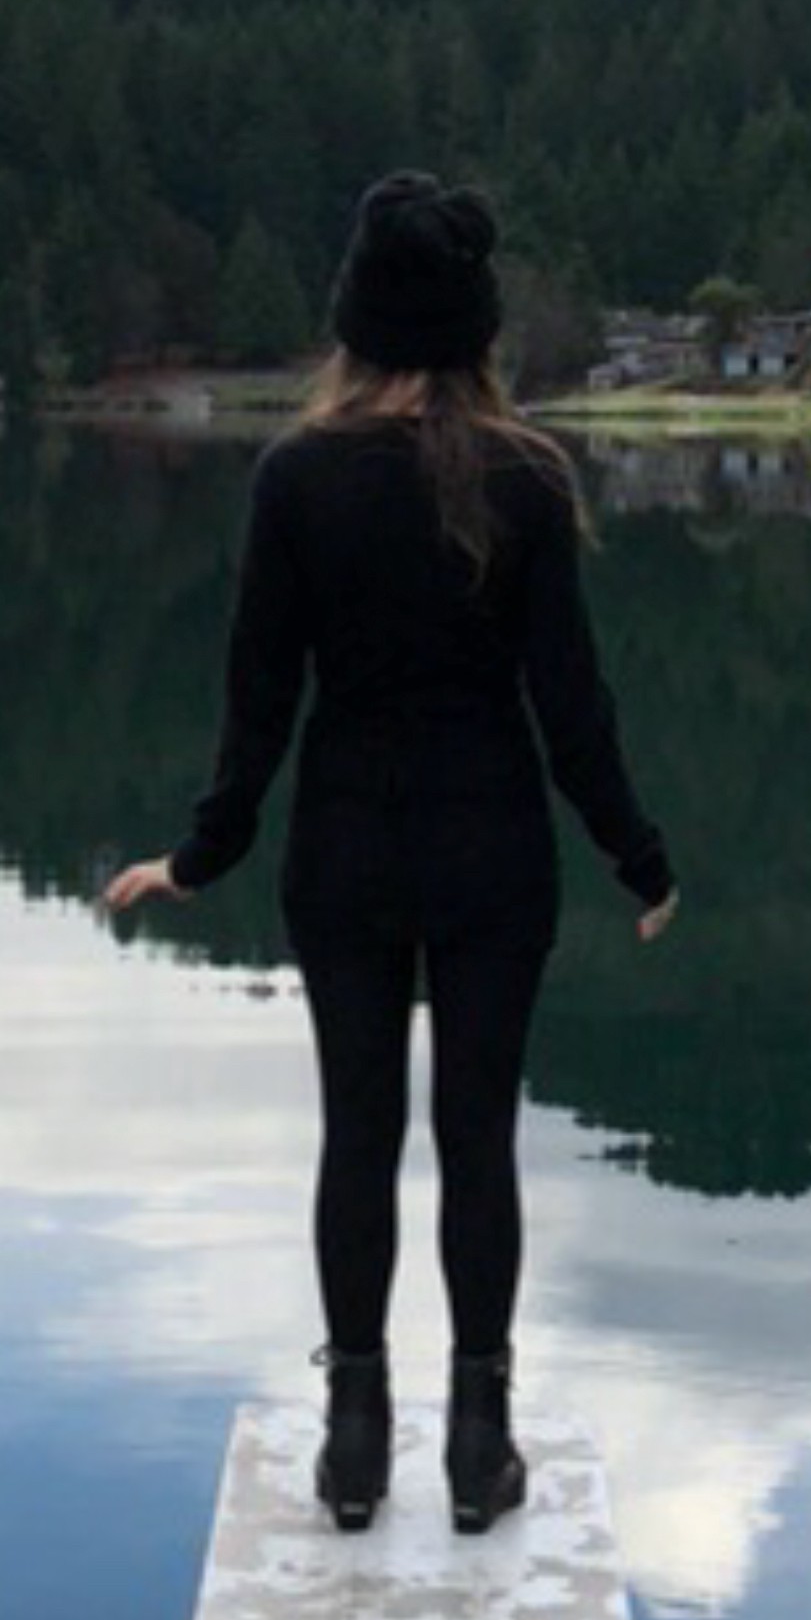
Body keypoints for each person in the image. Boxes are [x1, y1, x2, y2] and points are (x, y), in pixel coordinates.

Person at [103, 169, 678, 1535]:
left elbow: (260, 703)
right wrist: (636, 857)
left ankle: (353, 1442)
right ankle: (478, 1450)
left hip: (345, 855)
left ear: (354, 327)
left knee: (356, 1136)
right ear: (477, 334)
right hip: (493, 858)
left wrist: (201, 856)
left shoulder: (294, 477)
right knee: (477, 1142)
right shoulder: (527, 478)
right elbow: (568, 708)